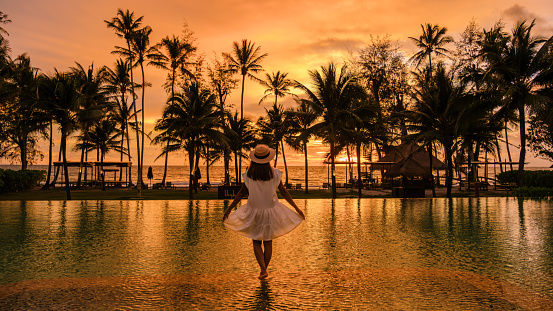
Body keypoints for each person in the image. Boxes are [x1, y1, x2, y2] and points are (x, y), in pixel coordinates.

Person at [223, 144, 305, 280]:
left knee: (256, 241)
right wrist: (297, 208)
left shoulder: (249, 174)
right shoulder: (275, 174)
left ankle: (263, 270)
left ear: (254, 159)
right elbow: (284, 192)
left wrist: (229, 209)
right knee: (268, 242)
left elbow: (241, 193)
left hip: (254, 210)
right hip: (270, 210)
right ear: (268, 159)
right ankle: (263, 270)